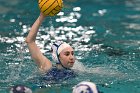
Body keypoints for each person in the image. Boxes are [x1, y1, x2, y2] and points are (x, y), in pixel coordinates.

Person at [25, 13, 76, 81]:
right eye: (67, 54)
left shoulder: (77, 68)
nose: (72, 57)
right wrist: (42, 16)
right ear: (56, 57)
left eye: (72, 53)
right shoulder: (47, 66)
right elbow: (30, 41)